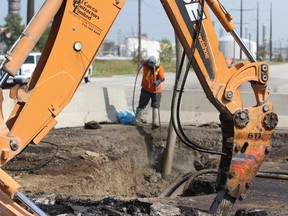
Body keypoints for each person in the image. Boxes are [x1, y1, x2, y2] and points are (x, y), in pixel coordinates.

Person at [135, 56, 165, 129]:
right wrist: (148, 59)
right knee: (142, 104)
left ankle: (155, 122)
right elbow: (141, 60)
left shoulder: (160, 67)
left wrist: (158, 81)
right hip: (146, 89)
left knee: (156, 105)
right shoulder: (146, 65)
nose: (155, 67)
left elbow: (162, 78)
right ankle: (137, 121)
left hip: (156, 90)